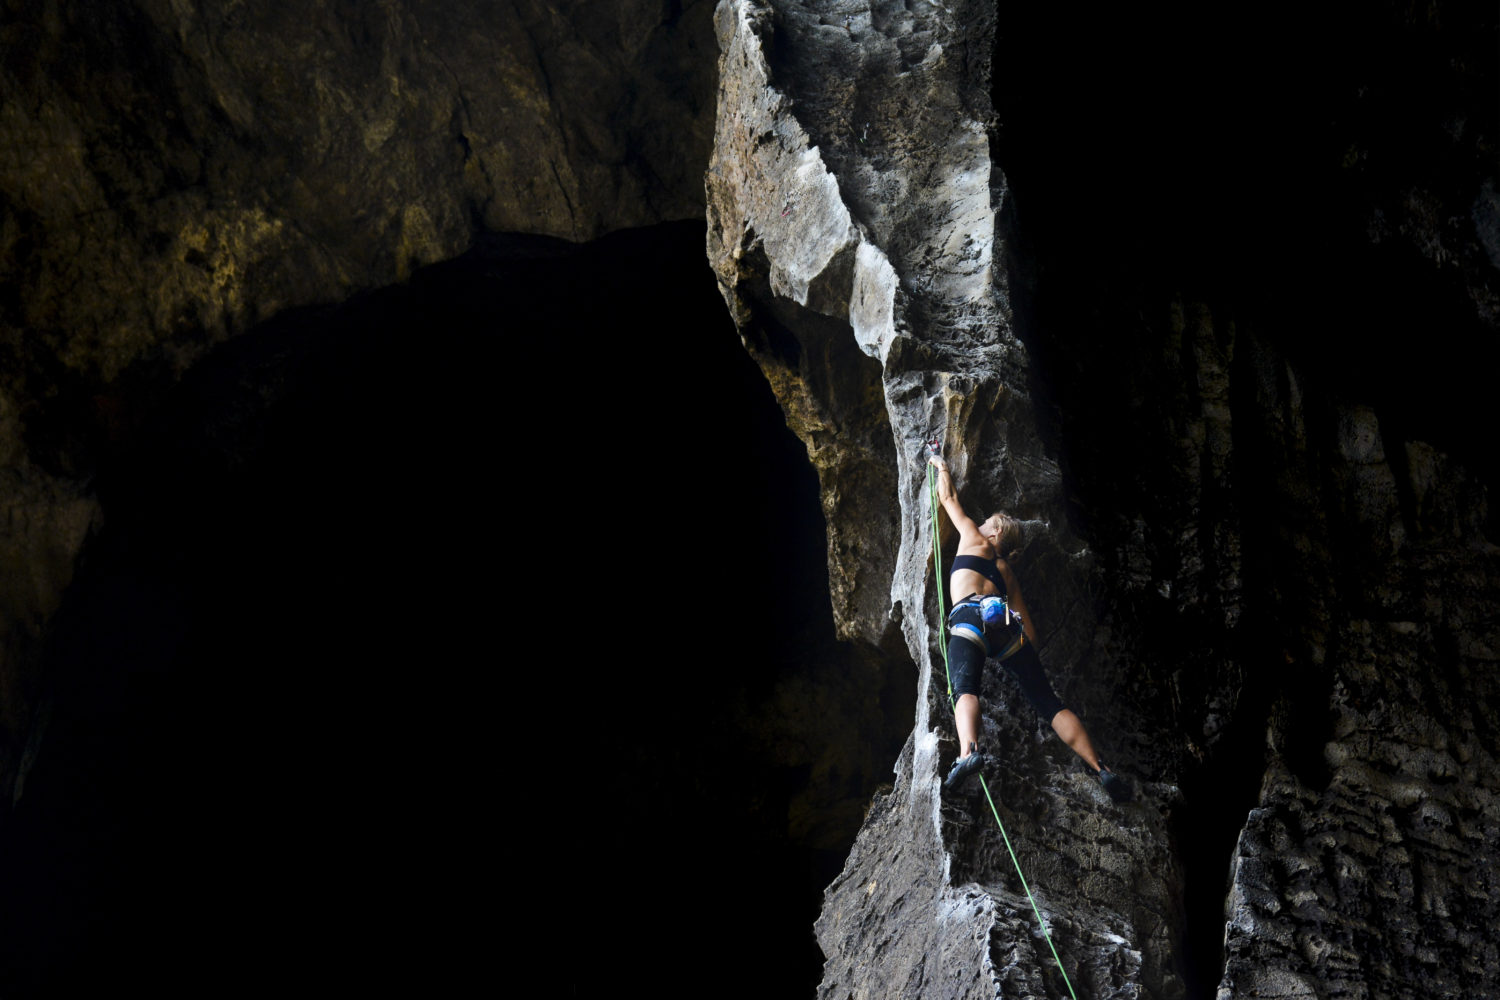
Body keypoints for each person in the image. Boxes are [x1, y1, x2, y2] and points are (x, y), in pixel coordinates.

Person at [928, 453, 1131, 802]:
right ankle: (1102, 770)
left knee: (964, 689)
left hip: (970, 617)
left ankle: (968, 753)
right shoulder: (1008, 575)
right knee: (1049, 703)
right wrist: (1012, 648)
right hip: (1005, 627)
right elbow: (1032, 636)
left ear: (995, 532)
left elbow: (947, 499)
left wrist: (941, 466)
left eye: (987, 521)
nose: (980, 524)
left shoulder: (973, 539)